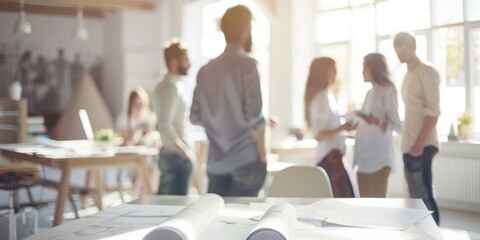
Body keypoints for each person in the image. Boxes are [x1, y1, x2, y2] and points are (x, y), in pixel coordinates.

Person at [190, 5, 267, 197]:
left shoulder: (204, 71)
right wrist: (263, 158)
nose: (251, 34)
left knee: (219, 222)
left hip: (216, 164)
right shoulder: (249, 65)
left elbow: (194, 116)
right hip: (246, 161)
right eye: (250, 29)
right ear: (244, 30)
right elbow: (255, 119)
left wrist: (219, 122)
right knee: (243, 223)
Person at [393, 32, 441, 225]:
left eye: (404, 49)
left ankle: (434, 236)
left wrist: (418, 145)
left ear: (413, 45)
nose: (400, 54)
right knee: (413, 200)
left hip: (421, 146)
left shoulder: (427, 72)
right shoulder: (407, 75)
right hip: (409, 145)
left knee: (424, 197)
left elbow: (433, 112)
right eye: (397, 51)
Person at [304, 57, 356, 198]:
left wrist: (343, 127)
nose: (336, 74)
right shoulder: (321, 97)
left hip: (334, 159)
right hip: (330, 161)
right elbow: (319, 135)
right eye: (333, 70)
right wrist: (342, 128)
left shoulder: (327, 95)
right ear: (323, 73)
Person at [353, 53, 402, 198]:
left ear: (374, 69)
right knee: (363, 206)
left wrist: (377, 122)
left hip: (379, 161)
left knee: (378, 207)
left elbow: (397, 126)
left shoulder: (388, 91)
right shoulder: (369, 93)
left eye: (365, 68)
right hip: (363, 160)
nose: (362, 72)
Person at [154, 39, 195, 196]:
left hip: (175, 156)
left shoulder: (164, 84)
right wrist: (184, 152)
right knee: (172, 212)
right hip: (176, 158)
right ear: (174, 62)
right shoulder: (171, 87)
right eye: (185, 59)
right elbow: (164, 125)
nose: (189, 64)